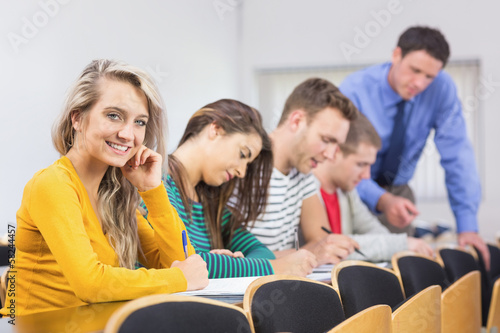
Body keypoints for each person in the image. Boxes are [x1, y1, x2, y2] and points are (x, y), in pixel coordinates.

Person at [0, 59, 208, 317]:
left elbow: (181, 263)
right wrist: (179, 279)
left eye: (139, 122)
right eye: (113, 116)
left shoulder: (115, 197)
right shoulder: (53, 184)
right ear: (77, 118)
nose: (128, 134)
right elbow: (91, 284)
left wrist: (152, 190)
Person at [339, 26, 490, 268]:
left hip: (399, 193)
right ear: (396, 55)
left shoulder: (442, 89)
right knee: (354, 268)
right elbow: (338, 163)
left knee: (400, 270)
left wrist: (467, 226)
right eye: (415, 70)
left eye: (429, 76)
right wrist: (382, 200)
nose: (420, 83)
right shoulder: (354, 90)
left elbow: (458, 156)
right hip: (350, 188)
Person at [141, 99, 317, 278]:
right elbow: (184, 263)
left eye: (247, 163)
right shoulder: (154, 181)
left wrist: (232, 265)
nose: (241, 172)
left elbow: (261, 251)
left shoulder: (210, 202)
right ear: (215, 130)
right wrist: (275, 268)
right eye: (242, 154)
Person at [248, 78, 360, 265]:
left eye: (337, 145)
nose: (330, 155)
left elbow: (321, 239)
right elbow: (230, 258)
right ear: (297, 121)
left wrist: (312, 251)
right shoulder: (243, 163)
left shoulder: (304, 172)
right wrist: (307, 253)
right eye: (326, 140)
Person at [313, 113, 434, 262]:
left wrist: (404, 246)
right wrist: (401, 245)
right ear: (335, 152)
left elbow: (374, 230)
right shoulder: (308, 189)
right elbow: (328, 246)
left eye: (370, 165)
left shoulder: (346, 192)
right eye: (361, 164)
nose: (366, 176)